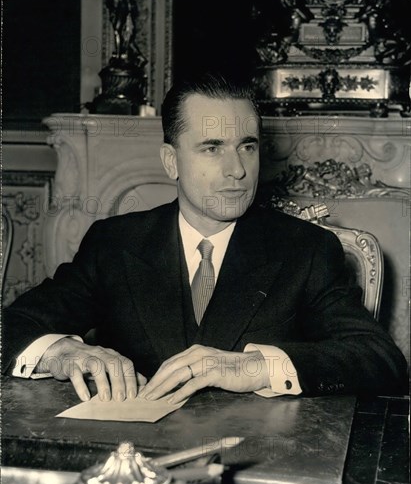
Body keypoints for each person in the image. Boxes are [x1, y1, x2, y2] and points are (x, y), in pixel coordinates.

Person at [2, 73, 407, 405]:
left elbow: (379, 359)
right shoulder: (114, 243)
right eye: (212, 148)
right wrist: (63, 352)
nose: (237, 170)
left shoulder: (306, 249)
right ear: (171, 161)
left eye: (246, 147)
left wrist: (251, 368)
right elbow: (14, 324)